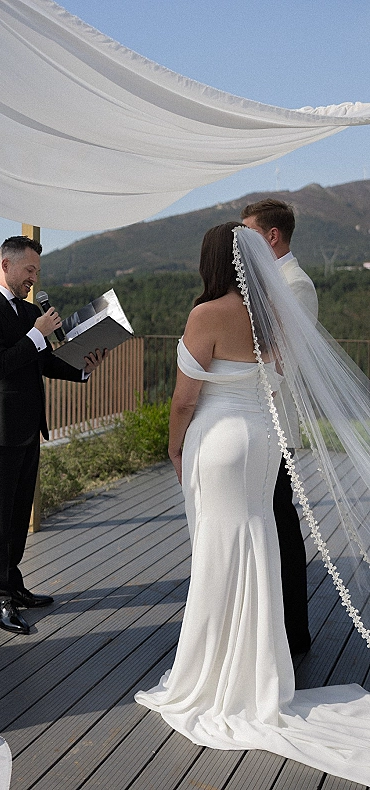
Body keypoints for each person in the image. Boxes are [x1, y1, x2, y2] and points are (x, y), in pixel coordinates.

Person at [135, 222, 370, 784]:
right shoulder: (274, 313)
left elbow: (183, 400)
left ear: (211, 260)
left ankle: (217, 674)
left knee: (219, 548)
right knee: (259, 540)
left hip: (219, 440)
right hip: (263, 438)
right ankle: (261, 667)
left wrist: (173, 449)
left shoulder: (206, 314)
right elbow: (279, 375)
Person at [0, 236, 106, 635]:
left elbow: (42, 362)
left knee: (18, 513)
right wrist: (37, 332)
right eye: (29, 270)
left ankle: (15, 585)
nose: (33, 278)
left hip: (30, 426)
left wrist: (83, 367)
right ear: (6, 265)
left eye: (37, 272)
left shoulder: (30, 310)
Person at [241, 198, 317, 656]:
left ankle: (295, 630)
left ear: (271, 235)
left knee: (281, 521)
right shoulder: (265, 281)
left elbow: (287, 359)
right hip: (253, 419)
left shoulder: (297, 284)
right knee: (264, 520)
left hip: (274, 421)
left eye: (248, 231)